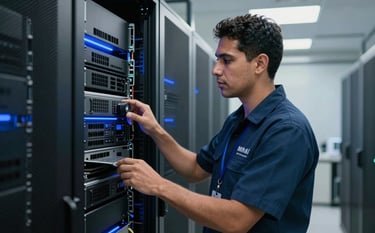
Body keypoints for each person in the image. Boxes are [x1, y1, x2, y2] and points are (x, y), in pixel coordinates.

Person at [116, 13, 319, 233]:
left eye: (227, 60)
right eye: (217, 59)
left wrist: (159, 185)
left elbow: (237, 220)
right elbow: (195, 168)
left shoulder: (286, 130)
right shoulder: (239, 120)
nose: (216, 70)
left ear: (260, 63)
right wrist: (155, 131)